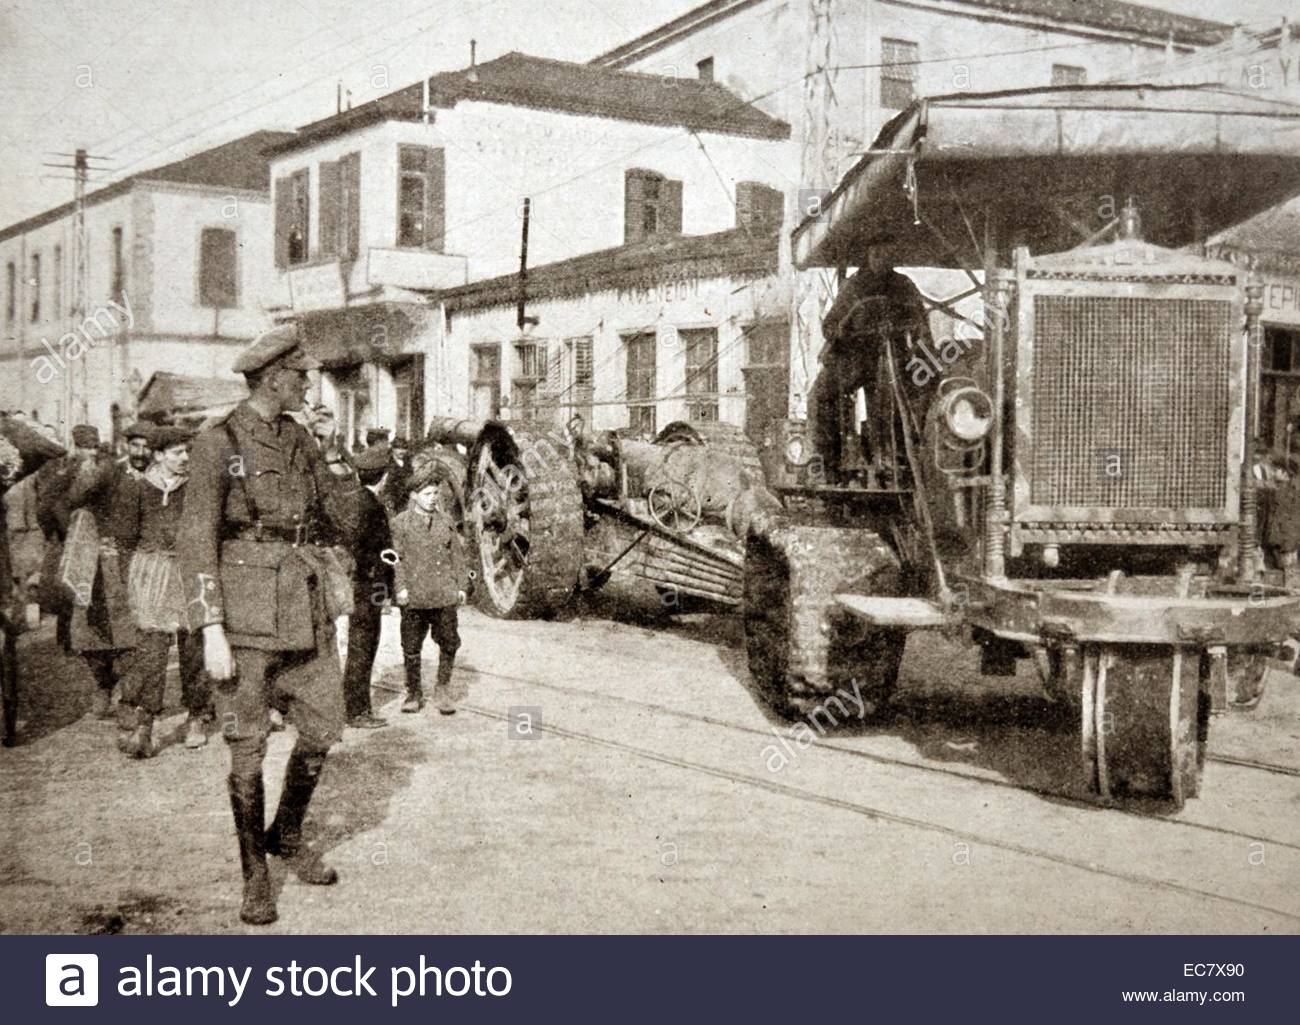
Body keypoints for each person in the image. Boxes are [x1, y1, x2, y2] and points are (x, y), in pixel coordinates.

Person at [177, 324, 361, 927]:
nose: (308, 383)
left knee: (323, 728)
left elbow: (340, 516)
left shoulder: (301, 438)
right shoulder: (218, 441)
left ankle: (286, 832)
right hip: (246, 616)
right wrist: (209, 629)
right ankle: (255, 877)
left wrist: (341, 459)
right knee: (248, 750)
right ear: (275, 377)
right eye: (300, 375)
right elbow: (197, 539)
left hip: (304, 612)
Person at [111, 425, 210, 758]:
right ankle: (146, 723)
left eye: (187, 451)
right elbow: (125, 541)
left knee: (194, 648)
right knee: (151, 653)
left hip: (187, 571)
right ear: (158, 456)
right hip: (151, 574)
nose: (185, 458)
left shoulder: (195, 487)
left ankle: (196, 716)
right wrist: (134, 582)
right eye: (177, 452)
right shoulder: (136, 488)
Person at [41, 425, 136, 718]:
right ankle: (103, 684)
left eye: (94, 447)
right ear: (75, 447)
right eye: (85, 447)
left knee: (122, 627)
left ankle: (125, 691)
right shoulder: (60, 474)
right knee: (85, 630)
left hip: (111, 555)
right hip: (79, 556)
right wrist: (65, 533)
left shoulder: (114, 471)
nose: (90, 453)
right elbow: (45, 510)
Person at [390, 462, 471, 715]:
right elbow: (394, 560)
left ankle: (442, 690)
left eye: (436, 493)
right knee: (411, 646)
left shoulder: (445, 522)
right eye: (427, 494)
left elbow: (458, 557)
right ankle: (413, 692)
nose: (433, 498)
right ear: (414, 496)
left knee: (449, 642)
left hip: (443, 594)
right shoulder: (400, 524)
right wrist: (400, 588)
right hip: (414, 595)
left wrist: (462, 586)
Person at [341, 445, 393, 730]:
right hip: (368, 586)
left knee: (359, 646)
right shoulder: (371, 506)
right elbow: (375, 553)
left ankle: (354, 705)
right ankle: (357, 710)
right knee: (363, 646)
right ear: (383, 477)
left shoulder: (355, 500)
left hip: (361, 585)